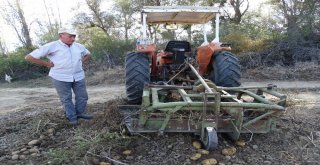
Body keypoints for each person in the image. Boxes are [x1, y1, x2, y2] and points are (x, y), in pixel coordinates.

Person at [25, 27, 94, 126]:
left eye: (74, 36)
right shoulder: (52, 46)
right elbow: (29, 57)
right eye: (70, 36)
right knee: (66, 99)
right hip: (60, 77)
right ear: (61, 35)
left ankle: (79, 114)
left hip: (78, 76)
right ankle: (72, 118)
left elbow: (88, 54)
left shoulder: (78, 46)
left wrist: (81, 61)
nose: (73, 39)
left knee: (83, 96)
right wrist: (47, 64)